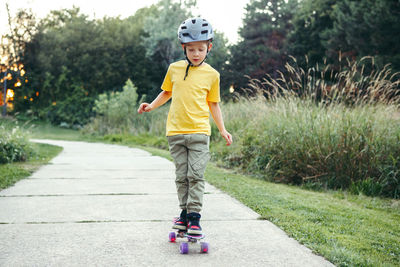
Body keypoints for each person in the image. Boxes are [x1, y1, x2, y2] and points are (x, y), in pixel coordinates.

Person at [137, 17, 232, 235]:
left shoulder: (213, 75)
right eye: (191, 49)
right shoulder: (174, 69)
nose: (196, 53)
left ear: (209, 47)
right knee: (182, 177)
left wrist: (223, 129)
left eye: (200, 49)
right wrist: (151, 106)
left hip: (199, 132)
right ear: (183, 48)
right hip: (176, 133)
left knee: (196, 176)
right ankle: (183, 214)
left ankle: (194, 218)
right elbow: (167, 92)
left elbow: (214, 104)